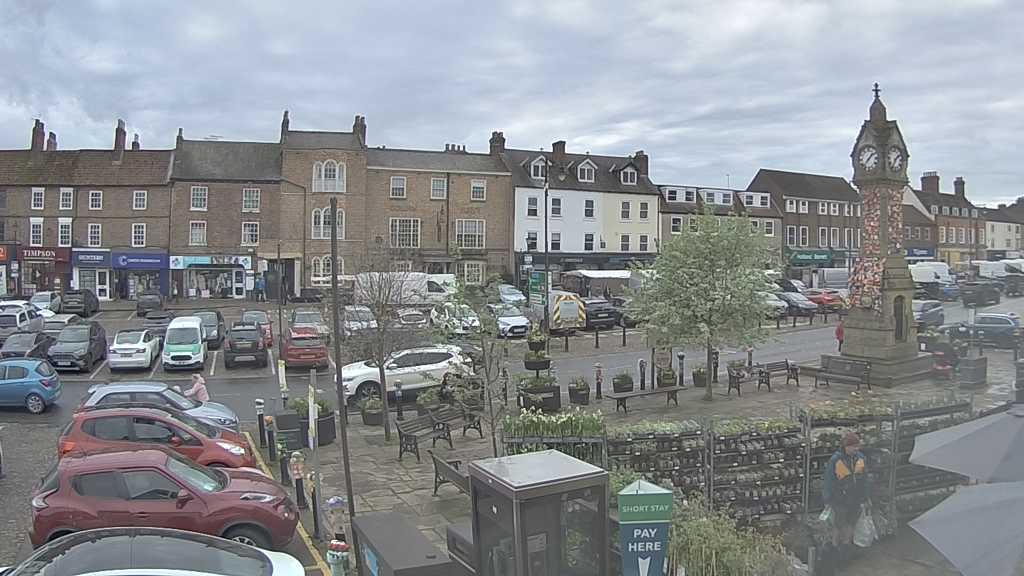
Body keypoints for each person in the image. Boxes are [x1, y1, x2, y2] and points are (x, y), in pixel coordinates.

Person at [822, 432, 869, 567]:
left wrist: (866, 497)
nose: (856, 449)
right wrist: (828, 499)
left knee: (850, 524)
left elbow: (865, 479)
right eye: (853, 446)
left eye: (857, 446)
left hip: (855, 498)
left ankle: (845, 550)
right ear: (846, 446)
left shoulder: (861, 458)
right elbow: (829, 481)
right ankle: (835, 551)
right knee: (839, 525)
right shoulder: (836, 460)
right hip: (840, 500)